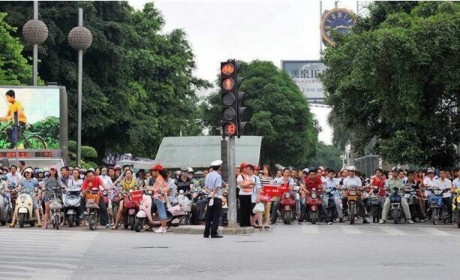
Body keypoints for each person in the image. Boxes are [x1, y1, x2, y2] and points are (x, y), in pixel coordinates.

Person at [203, 160, 223, 238]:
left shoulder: (208, 175)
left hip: (209, 197)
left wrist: (210, 193)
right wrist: (214, 194)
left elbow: (205, 187)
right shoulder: (218, 176)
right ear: (219, 168)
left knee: (208, 215)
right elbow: (217, 187)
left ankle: (206, 233)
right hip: (217, 197)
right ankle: (214, 232)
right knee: (216, 216)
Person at [148, 164, 170, 234]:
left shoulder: (159, 178)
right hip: (160, 197)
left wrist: (151, 189)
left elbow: (162, 189)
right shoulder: (160, 178)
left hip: (159, 197)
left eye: (153, 171)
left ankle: (163, 228)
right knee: (161, 212)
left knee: (162, 212)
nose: (152, 172)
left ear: (157, 171)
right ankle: (163, 227)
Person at [237, 163, 256, 227]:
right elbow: (242, 185)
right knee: (243, 209)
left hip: (249, 193)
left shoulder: (247, 176)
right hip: (243, 194)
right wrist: (249, 184)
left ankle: (247, 223)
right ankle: (242, 223)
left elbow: (253, 184)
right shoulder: (240, 176)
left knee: (248, 209)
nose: (247, 169)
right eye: (245, 168)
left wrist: (249, 185)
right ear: (242, 169)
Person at [259, 165, 273, 230]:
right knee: (260, 210)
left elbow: (271, 186)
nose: (265, 171)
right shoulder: (260, 177)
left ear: (268, 170)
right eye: (264, 169)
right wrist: (261, 190)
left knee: (267, 210)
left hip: (268, 195)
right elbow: (258, 185)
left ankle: (267, 224)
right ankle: (260, 224)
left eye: (266, 169)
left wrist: (266, 190)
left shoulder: (270, 178)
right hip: (261, 194)